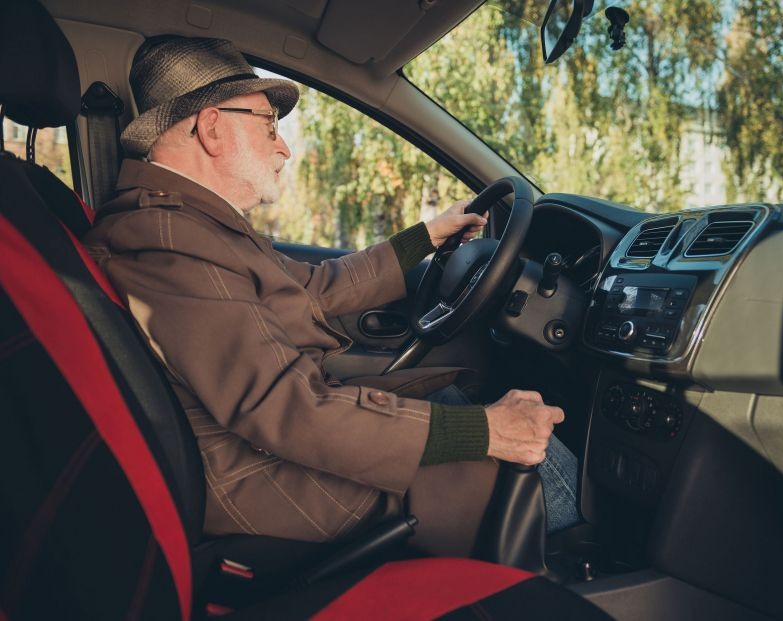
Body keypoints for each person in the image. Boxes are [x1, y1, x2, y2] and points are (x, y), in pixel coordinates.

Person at [83, 36, 580, 556]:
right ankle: (584, 579)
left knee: (461, 395)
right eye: (268, 125)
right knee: (526, 466)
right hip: (264, 482)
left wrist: (426, 238)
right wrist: (485, 432)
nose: (283, 147)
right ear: (211, 128)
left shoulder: (196, 225)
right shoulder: (169, 241)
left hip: (273, 448)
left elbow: (313, 289)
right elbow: (287, 408)